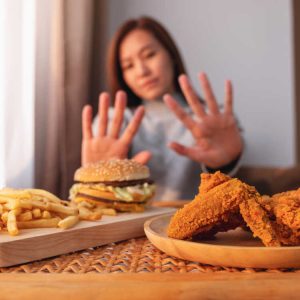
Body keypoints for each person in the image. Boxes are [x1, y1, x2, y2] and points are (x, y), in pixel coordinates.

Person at [81, 16, 243, 200]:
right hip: (129, 226)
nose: (142, 71)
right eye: (128, 66)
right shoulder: (113, 123)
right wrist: (97, 179)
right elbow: (93, 201)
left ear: (171, 55)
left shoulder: (212, 121)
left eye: (149, 55)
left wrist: (227, 162)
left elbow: (226, 192)